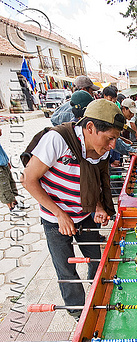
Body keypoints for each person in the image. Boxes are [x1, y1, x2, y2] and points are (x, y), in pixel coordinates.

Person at [21, 100, 125, 320]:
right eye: (110, 137)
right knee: (66, 270)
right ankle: (79, 315)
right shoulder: (57, 140)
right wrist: (60, 214)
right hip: (54, 217)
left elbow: (95, 182)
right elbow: (29, 180)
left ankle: (99, 297)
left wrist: (98, 207)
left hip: (85, 214)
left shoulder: (102, 149)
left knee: (98, 259)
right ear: (90, 128)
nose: (113, 145)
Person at [0, 128, 20, 210]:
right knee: (4, 187)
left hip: (3, 164)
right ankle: (12, 207)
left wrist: (6, 160)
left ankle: (15, 203)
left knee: (11, 183)